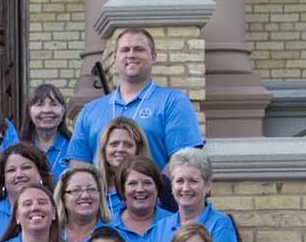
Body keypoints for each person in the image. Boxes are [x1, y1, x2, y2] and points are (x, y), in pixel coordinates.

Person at [65, 27, 204, 172]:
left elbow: (183, 159)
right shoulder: (90, 110)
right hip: (103, 194)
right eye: (125, 50)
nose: (131, 55)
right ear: (114, 58)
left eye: (139, 49)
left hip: (154, 193)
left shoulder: (173, 102)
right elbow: (78, 163)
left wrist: (151, 190)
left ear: (154, 56)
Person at [160, 147, 239, 242]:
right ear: (172, 186)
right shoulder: (160, 227)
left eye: (193, 181)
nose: (185, 188)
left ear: (207, 185)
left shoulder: (219, 225)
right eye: (179, 181)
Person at [110, 157, 172, 242]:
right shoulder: (108, 229)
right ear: (122, 189)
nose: (140, 189)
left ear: (157, 187)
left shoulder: (175, 224)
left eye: (147, 183)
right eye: (132, 184)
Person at [0, 143, 52, 242]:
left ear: (41, 174)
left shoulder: (56, 209)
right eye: (11, 170)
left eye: (26, 167)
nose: (19, 175)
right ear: (2, 179)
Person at [93, 117, 150, 212]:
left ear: (138, 149)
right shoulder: (92, 187)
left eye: (128, 145)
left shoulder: (150, 189)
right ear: (104, 149)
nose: (120, 149)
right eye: (114, 144)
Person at [55, 165, 111, 242]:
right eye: (76, 190)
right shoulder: (50, 236)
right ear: (62, 197)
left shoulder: (116, 234)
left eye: (91, 189)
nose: (85, 195)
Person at [23, 83, 71, 175]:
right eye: (39, 105)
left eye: (54, 104)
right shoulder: (19, 150)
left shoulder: (75, 147)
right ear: (29, 111)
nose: (47, 110)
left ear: (63, 110)